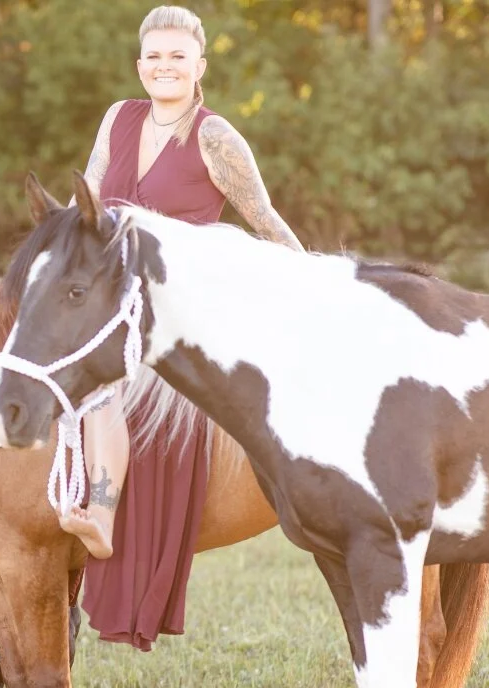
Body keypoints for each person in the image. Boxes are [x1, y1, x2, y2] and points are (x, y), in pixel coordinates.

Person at [61, 4, 304, 561]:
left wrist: (317, 283)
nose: (163, 66)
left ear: (200, 67)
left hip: (178, 302)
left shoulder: (215, 136)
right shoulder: (118, 117)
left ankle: (99, 514)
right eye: (154, 56)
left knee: (101, 384)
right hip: (110, 292)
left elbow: (262, 218)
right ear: (139, 65)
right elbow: (91, 205)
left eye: (178, 56)